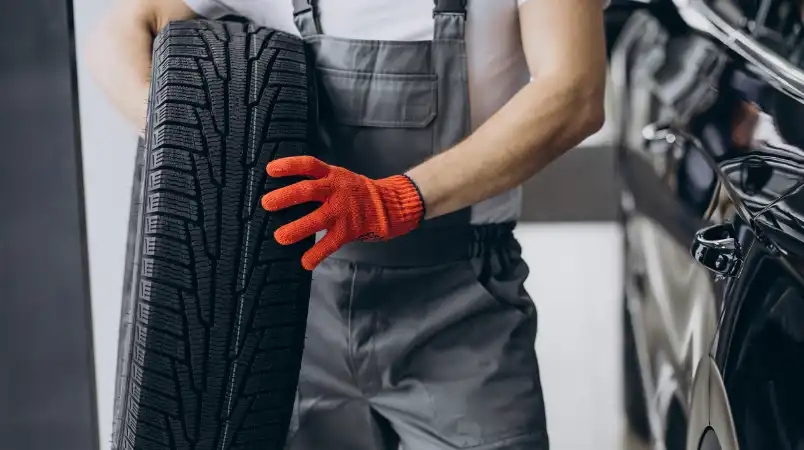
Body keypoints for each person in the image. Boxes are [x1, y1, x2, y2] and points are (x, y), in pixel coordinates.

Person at [88, 0, 607, 448]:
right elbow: (126, 28)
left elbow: (575, 91)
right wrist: (186, 140)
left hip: (463, 307)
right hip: (297, 311)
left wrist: (397, 199)